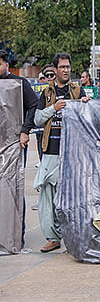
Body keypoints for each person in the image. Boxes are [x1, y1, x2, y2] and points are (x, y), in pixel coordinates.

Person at [33, 52, 90, 253]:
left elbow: (90, 115)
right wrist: (54, 108)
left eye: (68, 67)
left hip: (72, 154)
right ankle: (52, 237)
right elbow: (37, 119)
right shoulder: (47, 93)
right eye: (62, 67)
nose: (66, 70)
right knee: (47, 197)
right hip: (51, 151)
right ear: (55, 70)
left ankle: (71, 238)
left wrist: (85, 104)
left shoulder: (77, 90)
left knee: (71, 197)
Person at [0, 49, 39, 249]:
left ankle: (17, 235)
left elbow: (34, 105)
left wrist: (25, 130)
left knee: (13, 188)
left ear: (7, 64)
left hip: (14, 145)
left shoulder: (19, 84)